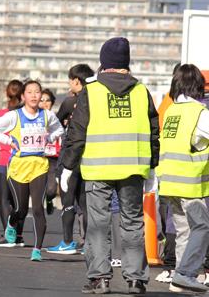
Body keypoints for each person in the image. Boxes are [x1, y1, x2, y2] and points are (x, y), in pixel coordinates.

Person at [60, 37, 159, 294]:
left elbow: (77, 132)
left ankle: (100, 278)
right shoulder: (141, 91)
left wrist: (67, 167)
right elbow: (153, 133)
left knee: (97, 224)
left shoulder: (91, 91)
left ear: (104, 63)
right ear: (126, 63)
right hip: (134, 169)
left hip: (98, 169)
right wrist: (153, 168)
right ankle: (136, 279)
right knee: (132, 223)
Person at [0, 80, 64, 261]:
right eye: (30, 92)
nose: (35, 96)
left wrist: (48, 138)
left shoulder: (47, 115)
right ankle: (11, 224)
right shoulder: (15, 116)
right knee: (20, 208)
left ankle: (37, 249)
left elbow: (59, 129)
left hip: (39, 166)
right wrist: (8, 141)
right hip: (18, 166)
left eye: (38, 92)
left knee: (37, 208)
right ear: (23, 96)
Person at [156, 64, 209, 293]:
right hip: (190, 184)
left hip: (169, 183)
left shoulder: (172, 111)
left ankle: (180, 276)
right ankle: (185, 274)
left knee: (183, 231)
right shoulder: (200, 112)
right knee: (202, 227)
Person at [47, 63, 95, 255]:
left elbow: (56, 123)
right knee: (85, 203)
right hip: (90, 154)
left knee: (68, 199)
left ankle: (67, 241)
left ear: (76, 81)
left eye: (70, 80)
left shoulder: (70, 102)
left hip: (70, 155)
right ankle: (88, 244)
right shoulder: (96, 99)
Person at [0, 79, 23, 247]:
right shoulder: (27, 114)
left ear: (7, 94)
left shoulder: (2, 114)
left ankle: (8, 236)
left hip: (5, 161)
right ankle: (19, 235)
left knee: (4, 200)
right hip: (25, 161)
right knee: (19, 201)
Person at [40, 88, 60, 215]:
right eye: (42, 100)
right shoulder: (32, 118)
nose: (45, 103)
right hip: (37, 157)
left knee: (51, 190)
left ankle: (49, 200)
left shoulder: (57, 118)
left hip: (53, 158)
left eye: (48, 100)